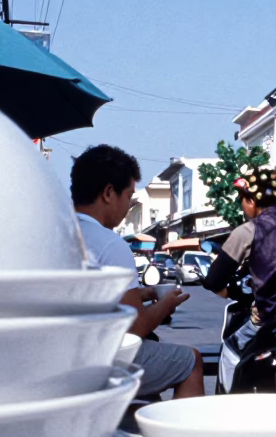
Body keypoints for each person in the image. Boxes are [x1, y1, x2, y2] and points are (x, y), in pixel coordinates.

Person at [71, 145, 205, 399]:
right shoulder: (110, 244)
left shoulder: (54, 233)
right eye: (129, 195)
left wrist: (141, 294)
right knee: (190, 361)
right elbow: (136, 328)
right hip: (96, 360)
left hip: (55, 356)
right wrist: (165, 304)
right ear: (109, 193)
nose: (128, 205)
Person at [201, 165, 276, 385]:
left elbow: (213, 280)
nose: (242, 206)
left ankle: (227, 409)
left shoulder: (248, 231)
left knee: (229, 351)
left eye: (242, 200)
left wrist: (228, 291)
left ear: (251, 201)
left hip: (268, 323)